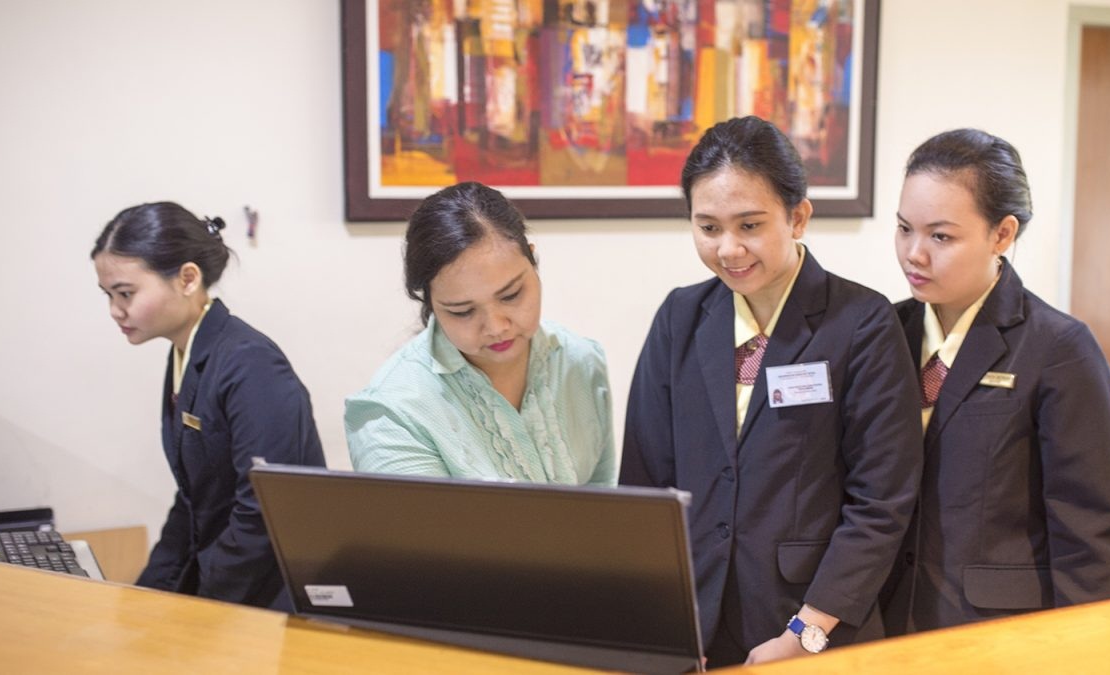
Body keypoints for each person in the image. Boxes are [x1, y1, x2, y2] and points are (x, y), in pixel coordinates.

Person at [620, 116, 923, 666]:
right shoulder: (680, 318)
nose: (729, 249)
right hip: (695, 628)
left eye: (750, 225)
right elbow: (645, 484)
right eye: (708, 228)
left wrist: (808, 631)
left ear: (798, 216)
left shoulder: (861, 324)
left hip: (812, 630)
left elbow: (881, 502)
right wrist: (657, 624)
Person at [882, 128, 1110, 633]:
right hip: (882, 626)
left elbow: (1093, 536)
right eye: (905, 228)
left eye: (940, 236)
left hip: (999, 632)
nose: (914, 253)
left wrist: (1085, 651)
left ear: (1002, 234)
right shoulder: (884, 334)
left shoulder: (1059, 348)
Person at [92, 201, 326, 609]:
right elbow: (193, 500)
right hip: (230, 588)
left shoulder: (250, 363)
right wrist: (149, 594)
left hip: (273, 599)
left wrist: (201, 605)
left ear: (187, 278)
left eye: (126, 293)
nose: (115, 310)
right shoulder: (187, 353)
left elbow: (264, 513)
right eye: (109, 294)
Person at [345, 181, 615, 485]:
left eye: (511, 295)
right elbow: (418, 532)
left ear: (533, 261)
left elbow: (604, 506)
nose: (496, 327)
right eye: (462, 311)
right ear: (430, 302)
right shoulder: (393, 412)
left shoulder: (581, 363)